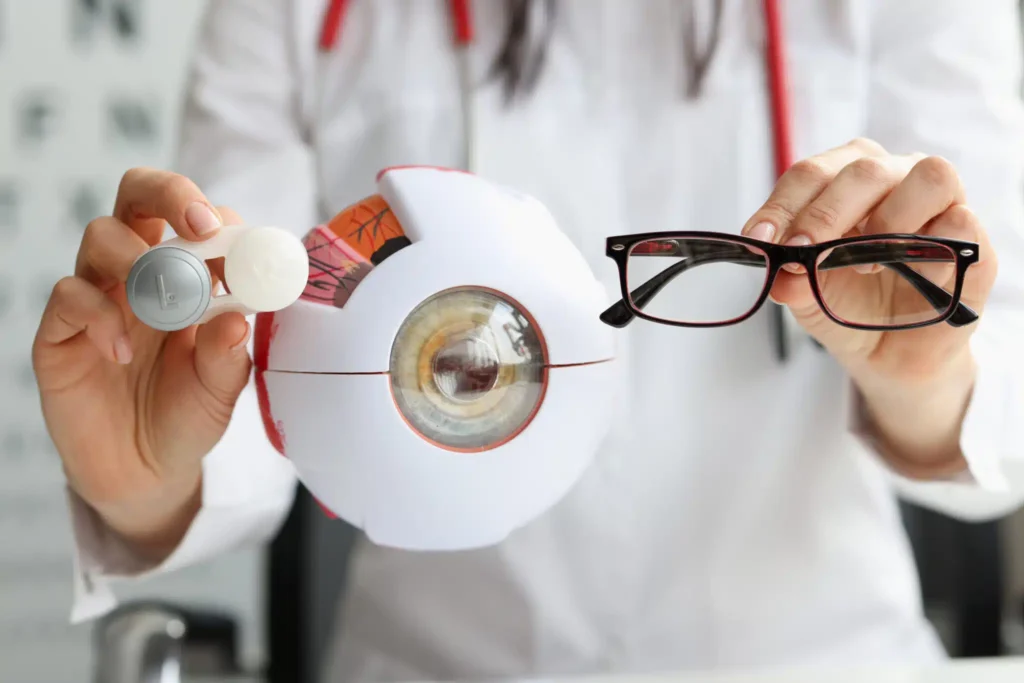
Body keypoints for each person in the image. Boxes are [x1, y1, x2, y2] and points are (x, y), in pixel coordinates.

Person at [31, 0, 1024, 680]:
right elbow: (234, 346)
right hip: (442, 662)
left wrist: (927, 376)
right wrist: (145, 477)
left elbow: (1001, 395)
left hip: (816, 656)